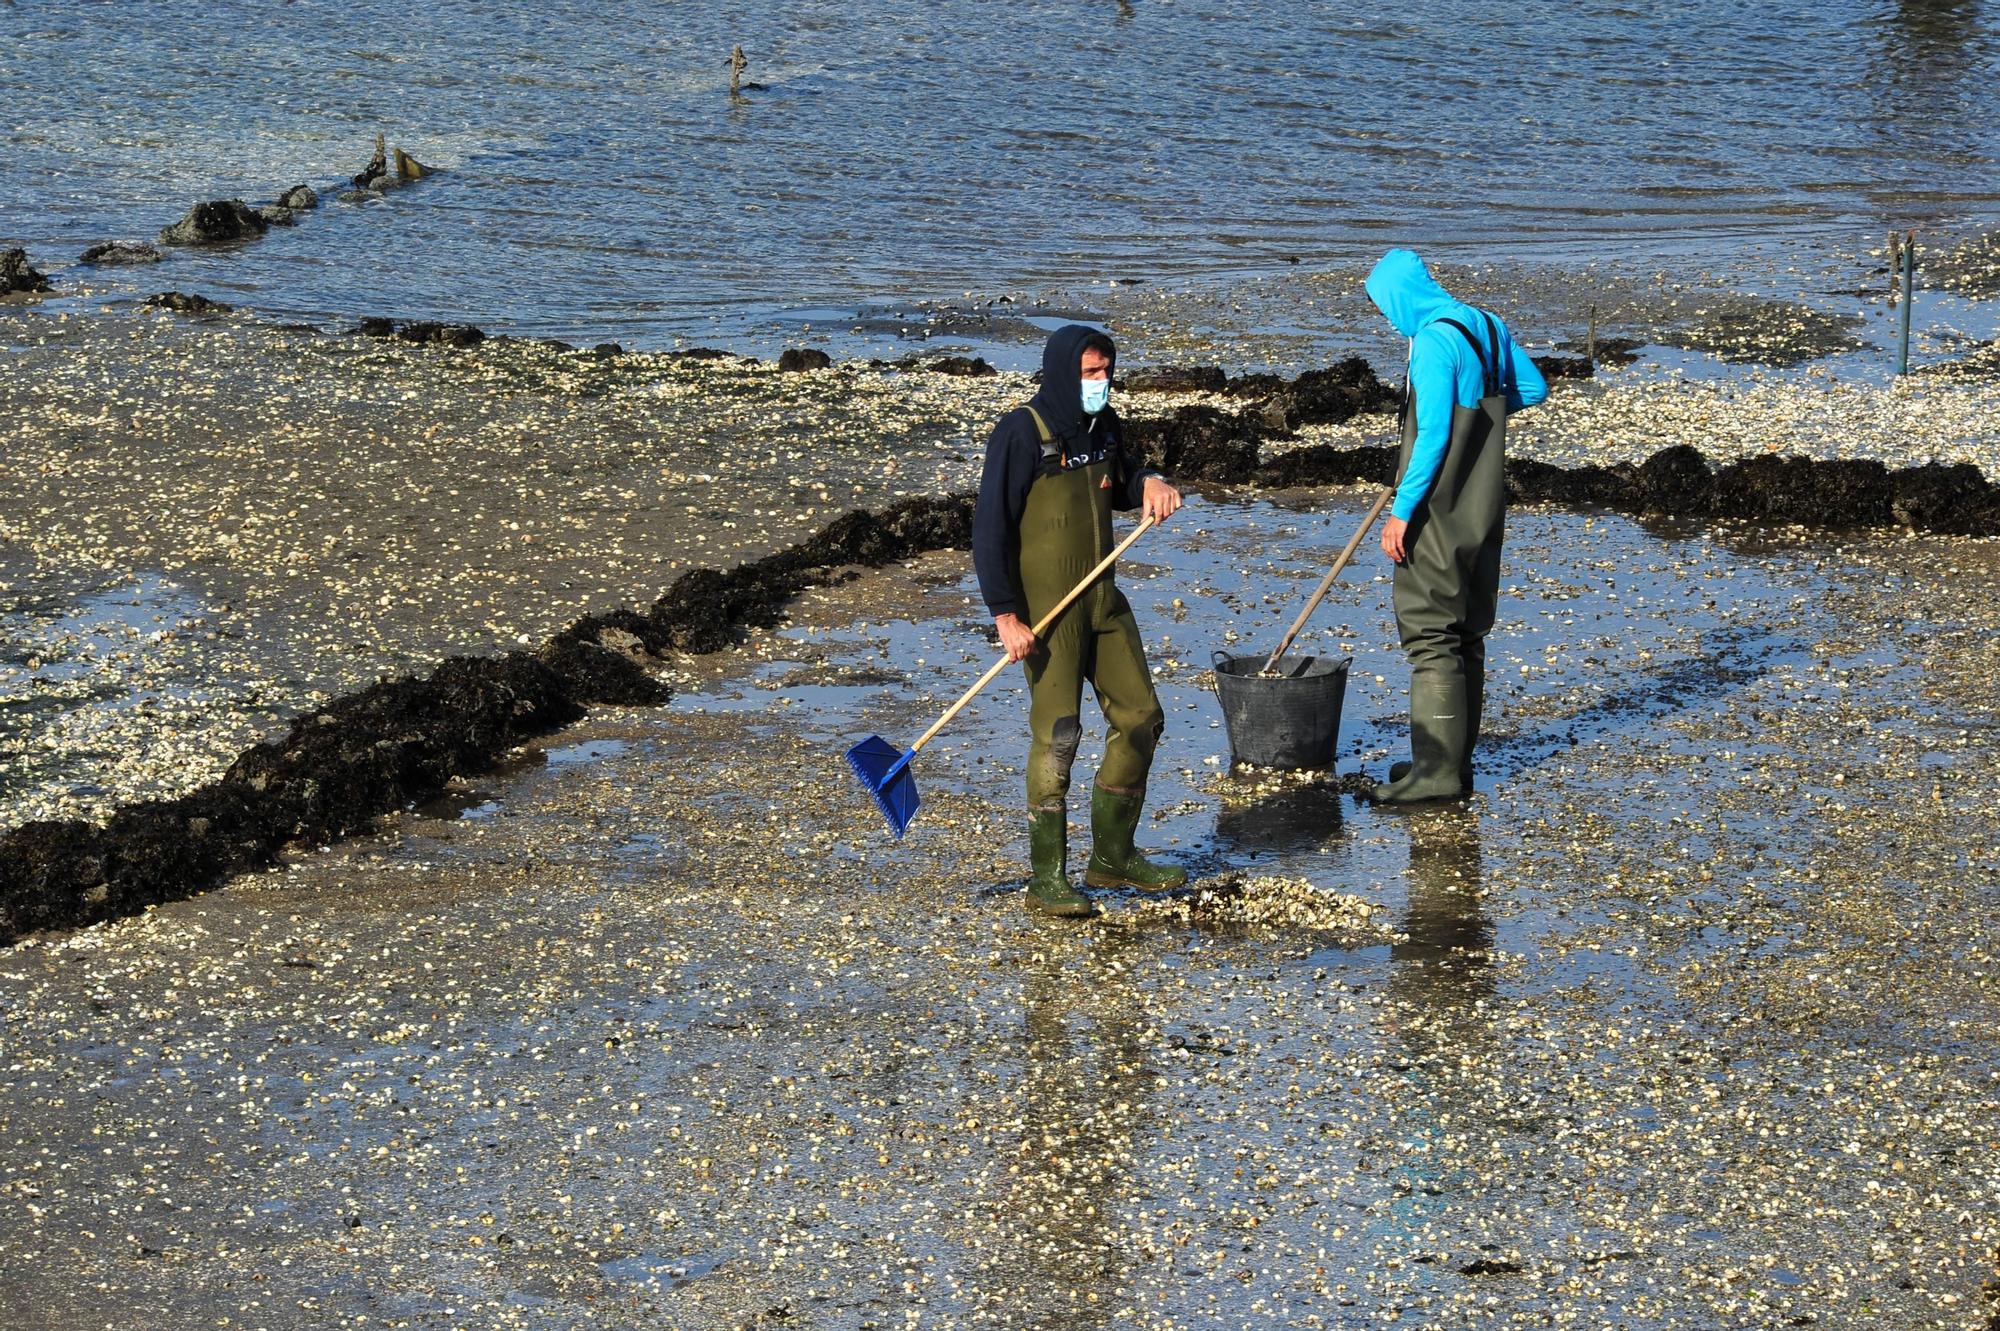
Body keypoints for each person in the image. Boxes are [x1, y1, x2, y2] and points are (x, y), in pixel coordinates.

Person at [973, 325, 1186, 918]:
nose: (1100, 383)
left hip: (1102, 598)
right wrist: (1005, 616)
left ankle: (1113, 858)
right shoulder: (1022, 432)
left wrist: (1149, 483)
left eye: (1106, 372)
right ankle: (1049, 878)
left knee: (1142, 718)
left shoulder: (1105, 425)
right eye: (1090, 373)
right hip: (1048, 613)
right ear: (1061, 371)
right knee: (1060, 736)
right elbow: (989, 528)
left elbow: (1124, 483)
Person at [1363, 250, 1548, 803]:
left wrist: (1402, 512)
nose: (1388, 318)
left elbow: (1433, 439)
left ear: (1400, 296)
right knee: (1467, 627)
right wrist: (1483, 428)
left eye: (1384, 305)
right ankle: (1452, 763)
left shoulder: (1434, 342)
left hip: (1439, 507)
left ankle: (1436, 774)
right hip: (1484, 502)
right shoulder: (1485, 323)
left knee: (1429, 631)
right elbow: (1534, 389)